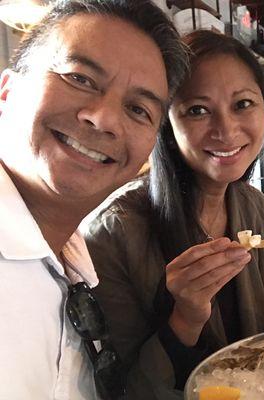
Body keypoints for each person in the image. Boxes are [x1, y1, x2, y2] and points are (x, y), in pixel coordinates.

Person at [0, 1, 186, 399]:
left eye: (138, 109)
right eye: (80, 78)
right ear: (7, 91)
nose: (103, 119)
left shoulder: (75, 261)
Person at [84, 31, 264, 398]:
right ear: (166, 125)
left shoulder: (255, 207)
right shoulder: (111, 235)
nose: (227, 129)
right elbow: (124, 390)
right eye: (197, 110)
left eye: (243, 104)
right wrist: (185, 317)